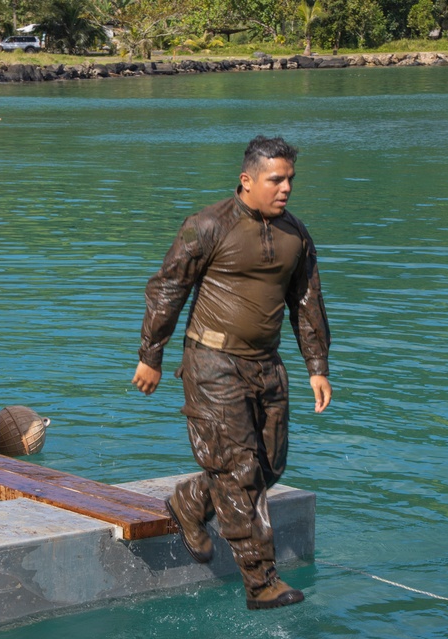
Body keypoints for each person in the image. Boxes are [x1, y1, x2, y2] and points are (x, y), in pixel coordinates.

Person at [131, 135, 331, 610]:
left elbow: (307, 303)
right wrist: (150, 355)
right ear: (247, 180)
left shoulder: (296, 235)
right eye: (275, 179)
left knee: (268, 466)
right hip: (211, 363)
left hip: (267, 364)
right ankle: (261, 582)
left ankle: (190, 503)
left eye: (290, 180)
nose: (285, 188)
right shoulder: (207, 226)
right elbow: (167, 289)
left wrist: (317, 367)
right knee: (239, 470)